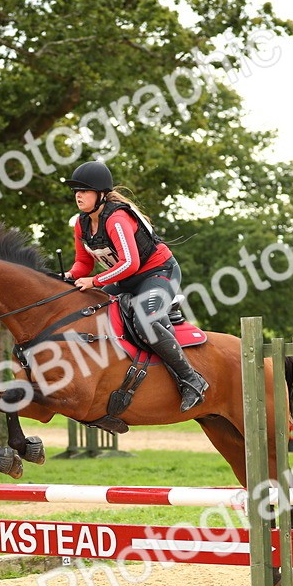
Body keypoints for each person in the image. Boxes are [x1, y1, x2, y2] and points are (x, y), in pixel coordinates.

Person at [61, 160, 208, 412]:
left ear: (101, 194)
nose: (78, 195)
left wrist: (94, 281)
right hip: (126, 279)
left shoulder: (116, 219)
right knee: (88, 313)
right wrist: (68, 276)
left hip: (159, 272)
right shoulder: (81, 223)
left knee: (145, 321)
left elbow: (130, 263)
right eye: (76, 191)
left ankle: (191, 379)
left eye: (84, 190)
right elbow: (83, 264)